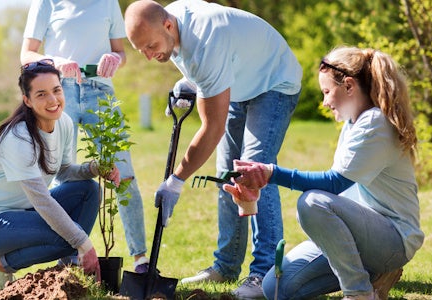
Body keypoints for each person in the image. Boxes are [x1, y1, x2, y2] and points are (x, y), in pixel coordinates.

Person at [124, 0, 302, 297]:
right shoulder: (172, 21)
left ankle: (264, 275)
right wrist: (188, 81)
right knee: (226, 175)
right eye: (141, 50)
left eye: (151, 46)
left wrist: (176, 181)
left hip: (274, 81)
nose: (148, 55)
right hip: (240, 81)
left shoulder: (206, 41)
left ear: (168, 25)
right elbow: (199, 62)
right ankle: (227, 265)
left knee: (254, 172)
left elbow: (212, 128)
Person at [223, 46, 424, 300]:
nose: (325, 101)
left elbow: (334, 183)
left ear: (349, 86)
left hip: (392, 240)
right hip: (358, 235)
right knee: (274, 287)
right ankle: (373, 276)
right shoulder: (352, 124)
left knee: (313, 202)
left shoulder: (375, 122)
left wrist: (269, 173)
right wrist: (255, 191)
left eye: (327, 92)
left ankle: (359, 293)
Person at [0, 59, 120, 290]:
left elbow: (65, 172)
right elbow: (42, 200)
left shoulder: (63, 122)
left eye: (56, 90)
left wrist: (94, 168)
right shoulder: (18, 138)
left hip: (24, 211)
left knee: (89, 190)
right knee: (67, 234)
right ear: (27, 100)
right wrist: (82, 242)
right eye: (41, 94)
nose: (53, 100)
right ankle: (0, 264)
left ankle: (70, 265)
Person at [20, 0, 150, 273]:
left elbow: (120, 52)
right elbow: (27, 55)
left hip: (100, 91)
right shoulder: (46, 2)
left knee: (123, 174)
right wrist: (54, 61)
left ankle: (141, 261)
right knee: (60, 174)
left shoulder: (107, 3)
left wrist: (116, 58)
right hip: (59, 91)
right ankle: (66, 259)